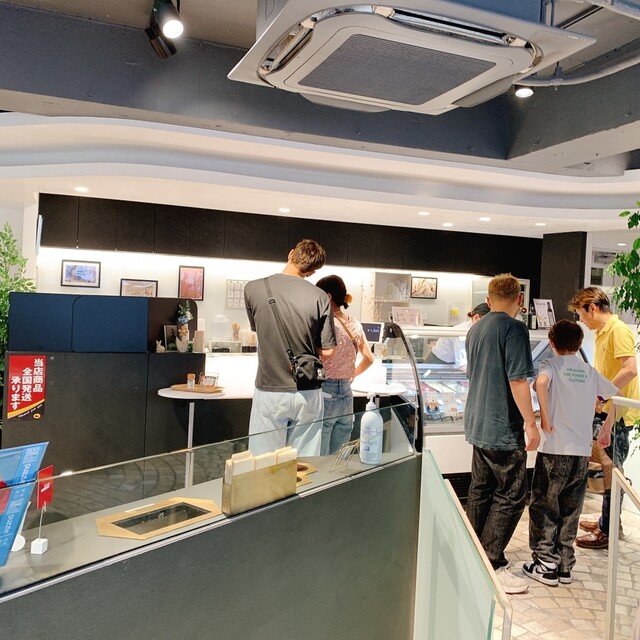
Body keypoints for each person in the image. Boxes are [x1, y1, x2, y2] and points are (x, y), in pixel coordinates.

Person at [523, 320, 616, 586]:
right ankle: (565, 565)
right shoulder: (588, 370)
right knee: (571, 509)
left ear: (552, 343)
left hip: (555, 450)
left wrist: (544, 417)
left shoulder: (550, 365)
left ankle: (545, 564)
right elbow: (615, 397)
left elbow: (541, 383)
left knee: (544, 505)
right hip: (582, 453)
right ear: (579, 343)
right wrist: (606, 429)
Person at [464, 273, 539, 595]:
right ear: (520, 300)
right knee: (512, 493)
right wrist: (530, 422)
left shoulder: (476, 328)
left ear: (489, 299)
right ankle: (491, 561)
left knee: (480, 489)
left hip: (477, 422)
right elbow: (518, 380)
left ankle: (473, 553)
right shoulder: (515, 329)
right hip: (502, 426)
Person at [244, 239, 336, 455]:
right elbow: (329, 351)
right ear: (312, 272)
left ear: (290, 253)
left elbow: (258, 329)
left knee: (264, 461)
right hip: (308, 389)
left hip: (269, 388)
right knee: (305, 463)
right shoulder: (320, 297)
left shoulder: (253, 288)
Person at [568, 287, 640, 549]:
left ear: (593, 308)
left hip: (617, 414)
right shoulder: (602, 332)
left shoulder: (618, 330)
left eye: (581, 314)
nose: (582, 321)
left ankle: (607, 531)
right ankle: (607, 522)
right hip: (609, 411)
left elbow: (630, 370)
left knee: (612, 472)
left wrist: (601, 396)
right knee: (608, 468)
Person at [315, 275, 374, 455]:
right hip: (347, 393)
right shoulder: (354, 323)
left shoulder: (324, 322)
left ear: (328, 296)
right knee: (339, 456)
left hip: (326, 390)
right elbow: (369, 358)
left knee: (320, 455)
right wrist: (352, 373)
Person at [426, 302, 489, 372]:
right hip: (437, 363)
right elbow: (462, 364)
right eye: (488, 323)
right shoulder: (462, 332)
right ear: (476, 317)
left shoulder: (477, 330)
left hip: (451, 364)